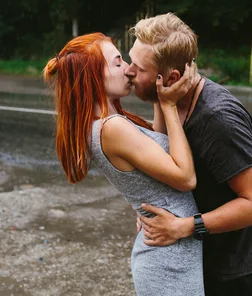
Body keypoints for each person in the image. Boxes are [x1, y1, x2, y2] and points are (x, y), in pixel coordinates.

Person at [125, 13, 252, 296]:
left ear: (171, 76)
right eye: (129, 59)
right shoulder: (171, 96)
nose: (128, 71)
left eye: (139, 68)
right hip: (204, 257)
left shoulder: (218, 120)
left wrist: (182, 226)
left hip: (236, 271)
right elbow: (165, 159)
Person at [43, 32, 205, 296]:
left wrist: (157, 94)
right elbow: (185, 177)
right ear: (94, 76)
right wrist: (169, 105)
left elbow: (159, 147)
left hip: (170, 251)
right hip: (167, 261)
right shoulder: (112, 128)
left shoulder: (106, 123)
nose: (128, 71)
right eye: (118, 63)